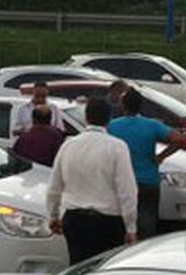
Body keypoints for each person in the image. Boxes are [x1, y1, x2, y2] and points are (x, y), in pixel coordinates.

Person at [47, 97, 138, 263]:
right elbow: (127, 191)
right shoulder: (117, 147)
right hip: (108, 222)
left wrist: (53, 215)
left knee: (77, 267)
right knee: (104, 270)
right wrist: (131, 226)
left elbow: (54, 186)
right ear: (109, 119)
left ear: (86, 117)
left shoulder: (68, 145)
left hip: (74, 219)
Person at [107, 89, 179, 239]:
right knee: (147, 224)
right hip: (148, 180)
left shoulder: (112, 126)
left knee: (122, 224)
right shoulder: (152, 125)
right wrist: (161, 156)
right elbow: (179, 139)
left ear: (123, 106)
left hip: (121, 181)